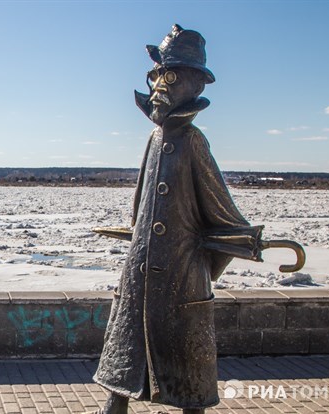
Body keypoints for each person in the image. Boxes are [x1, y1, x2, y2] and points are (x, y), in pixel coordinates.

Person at [90, 25, 262, 413]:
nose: (158, 87)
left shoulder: (192, 141)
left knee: (187, 372)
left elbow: (224, 217)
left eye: (169, 76)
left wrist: (199, 268)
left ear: (194, 83)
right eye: (155, 77)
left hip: (180, 279)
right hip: (140, 274)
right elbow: (142, 208)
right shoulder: (154, 139)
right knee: (125, 358)